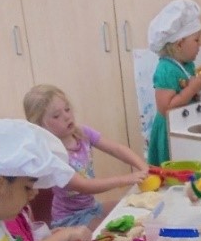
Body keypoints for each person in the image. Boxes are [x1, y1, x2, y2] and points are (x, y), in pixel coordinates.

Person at [24, 84, 149, 231]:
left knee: (132, 211)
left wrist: (144, 167)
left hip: (92, 207)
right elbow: (85, 186)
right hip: (70, 220)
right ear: (40, 127)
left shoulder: (82, 133)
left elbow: (117, 149)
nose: (66, 116)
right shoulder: (53, 155)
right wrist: (125, 179)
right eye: (56, 116)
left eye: (67, 109)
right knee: (112, 233)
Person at [147, 0, 201, 166]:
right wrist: (191, 89)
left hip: (184, 123)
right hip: (169, 131)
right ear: (179, 44)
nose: (200, 45)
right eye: (196, 40)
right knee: (171, 168)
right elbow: (165, 108)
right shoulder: (165, 69)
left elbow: (195, 96)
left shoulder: (187, 65)